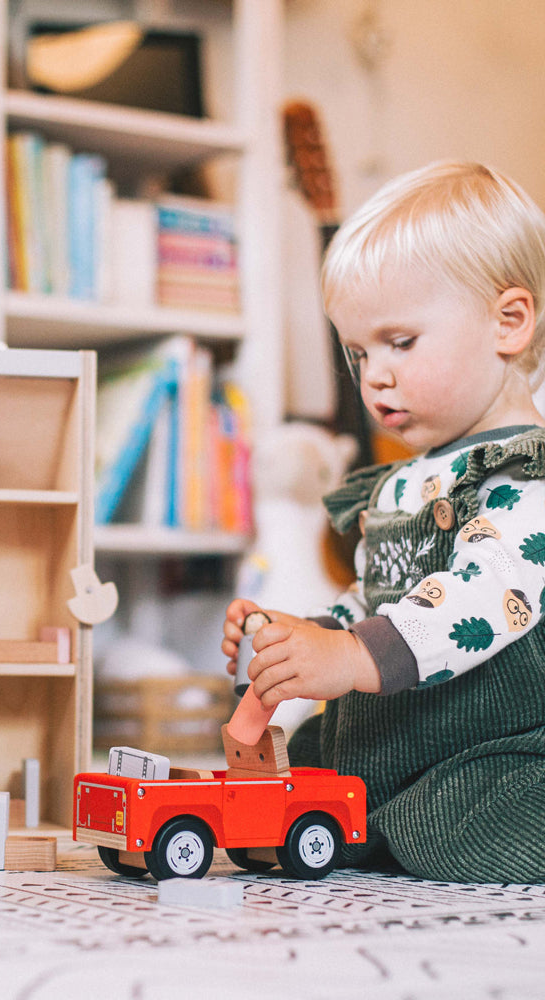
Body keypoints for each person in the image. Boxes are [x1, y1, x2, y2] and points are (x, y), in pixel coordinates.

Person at [221, 161, 545, 883]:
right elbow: (373, 595)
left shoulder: (526, 474)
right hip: (400, 732)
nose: (374, 375)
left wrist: (349, 657)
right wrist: (303, 636)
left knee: (473, 820)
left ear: (509, 322)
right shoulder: (401, 480)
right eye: (360, 351)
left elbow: (482, 596)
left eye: (401, 342)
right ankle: (385, 812)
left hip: (497, 742)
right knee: (304, 768)